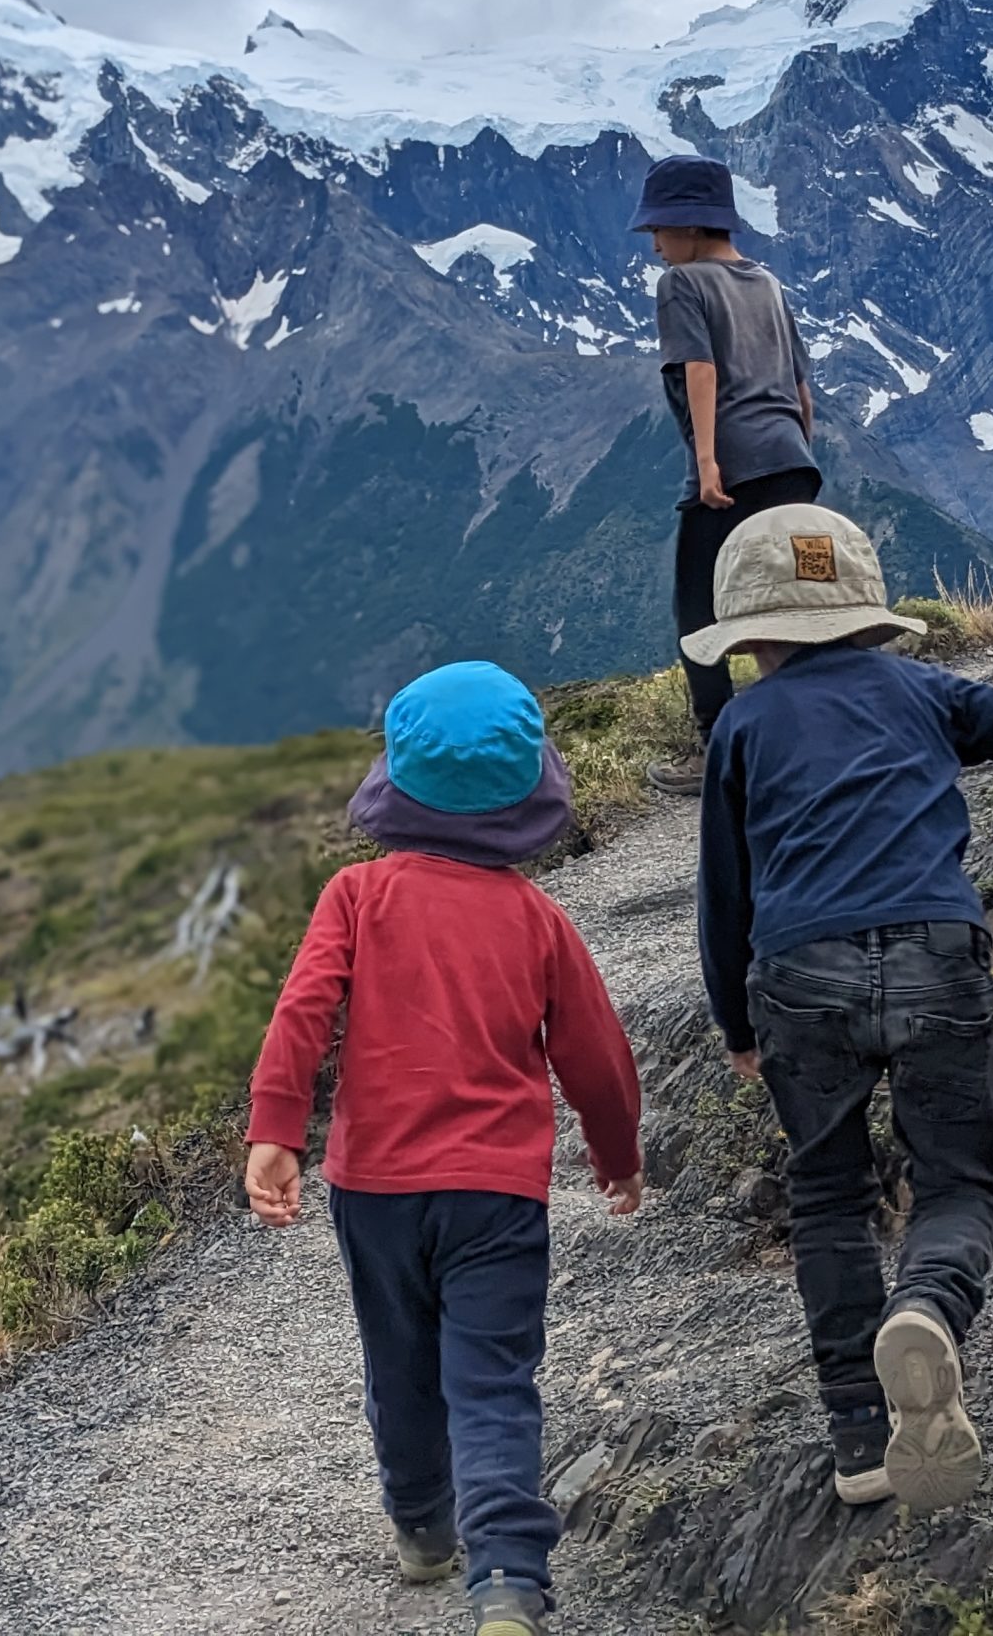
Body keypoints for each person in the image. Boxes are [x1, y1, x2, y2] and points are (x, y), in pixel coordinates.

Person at [683, 506, 993, 1511]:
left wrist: (736, 1025)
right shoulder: (921, 690)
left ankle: (858, 1441)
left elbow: (724, 895)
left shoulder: (743, 726)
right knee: (957, 1188)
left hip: (799, 975)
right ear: (867, 613)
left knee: (826, 1196)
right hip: (937, 954)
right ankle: (929, 1309)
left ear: (750, 638)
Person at [245, 661, 645, 1636]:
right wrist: (616, 1156)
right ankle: (507, 1577)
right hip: (499, 1196)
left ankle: (422, 1528)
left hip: (375, 1188)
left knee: (400, 1365)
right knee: (493, 1379)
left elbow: (304, 1012)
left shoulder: (354, 896)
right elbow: (596, 1055)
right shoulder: (538, 919)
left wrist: (274, 1132)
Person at [627, 153, 822, 793]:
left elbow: (699, 369)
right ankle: (821, 723)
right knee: (796, 597)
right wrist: (798, 447)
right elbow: (801, 384)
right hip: (790, 457)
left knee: (697, 610)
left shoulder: (682, 286)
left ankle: (718, 748)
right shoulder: (766, 282)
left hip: (732, 466)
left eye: (658, 229)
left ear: (688, 226)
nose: (654, 244)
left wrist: (708, 462)